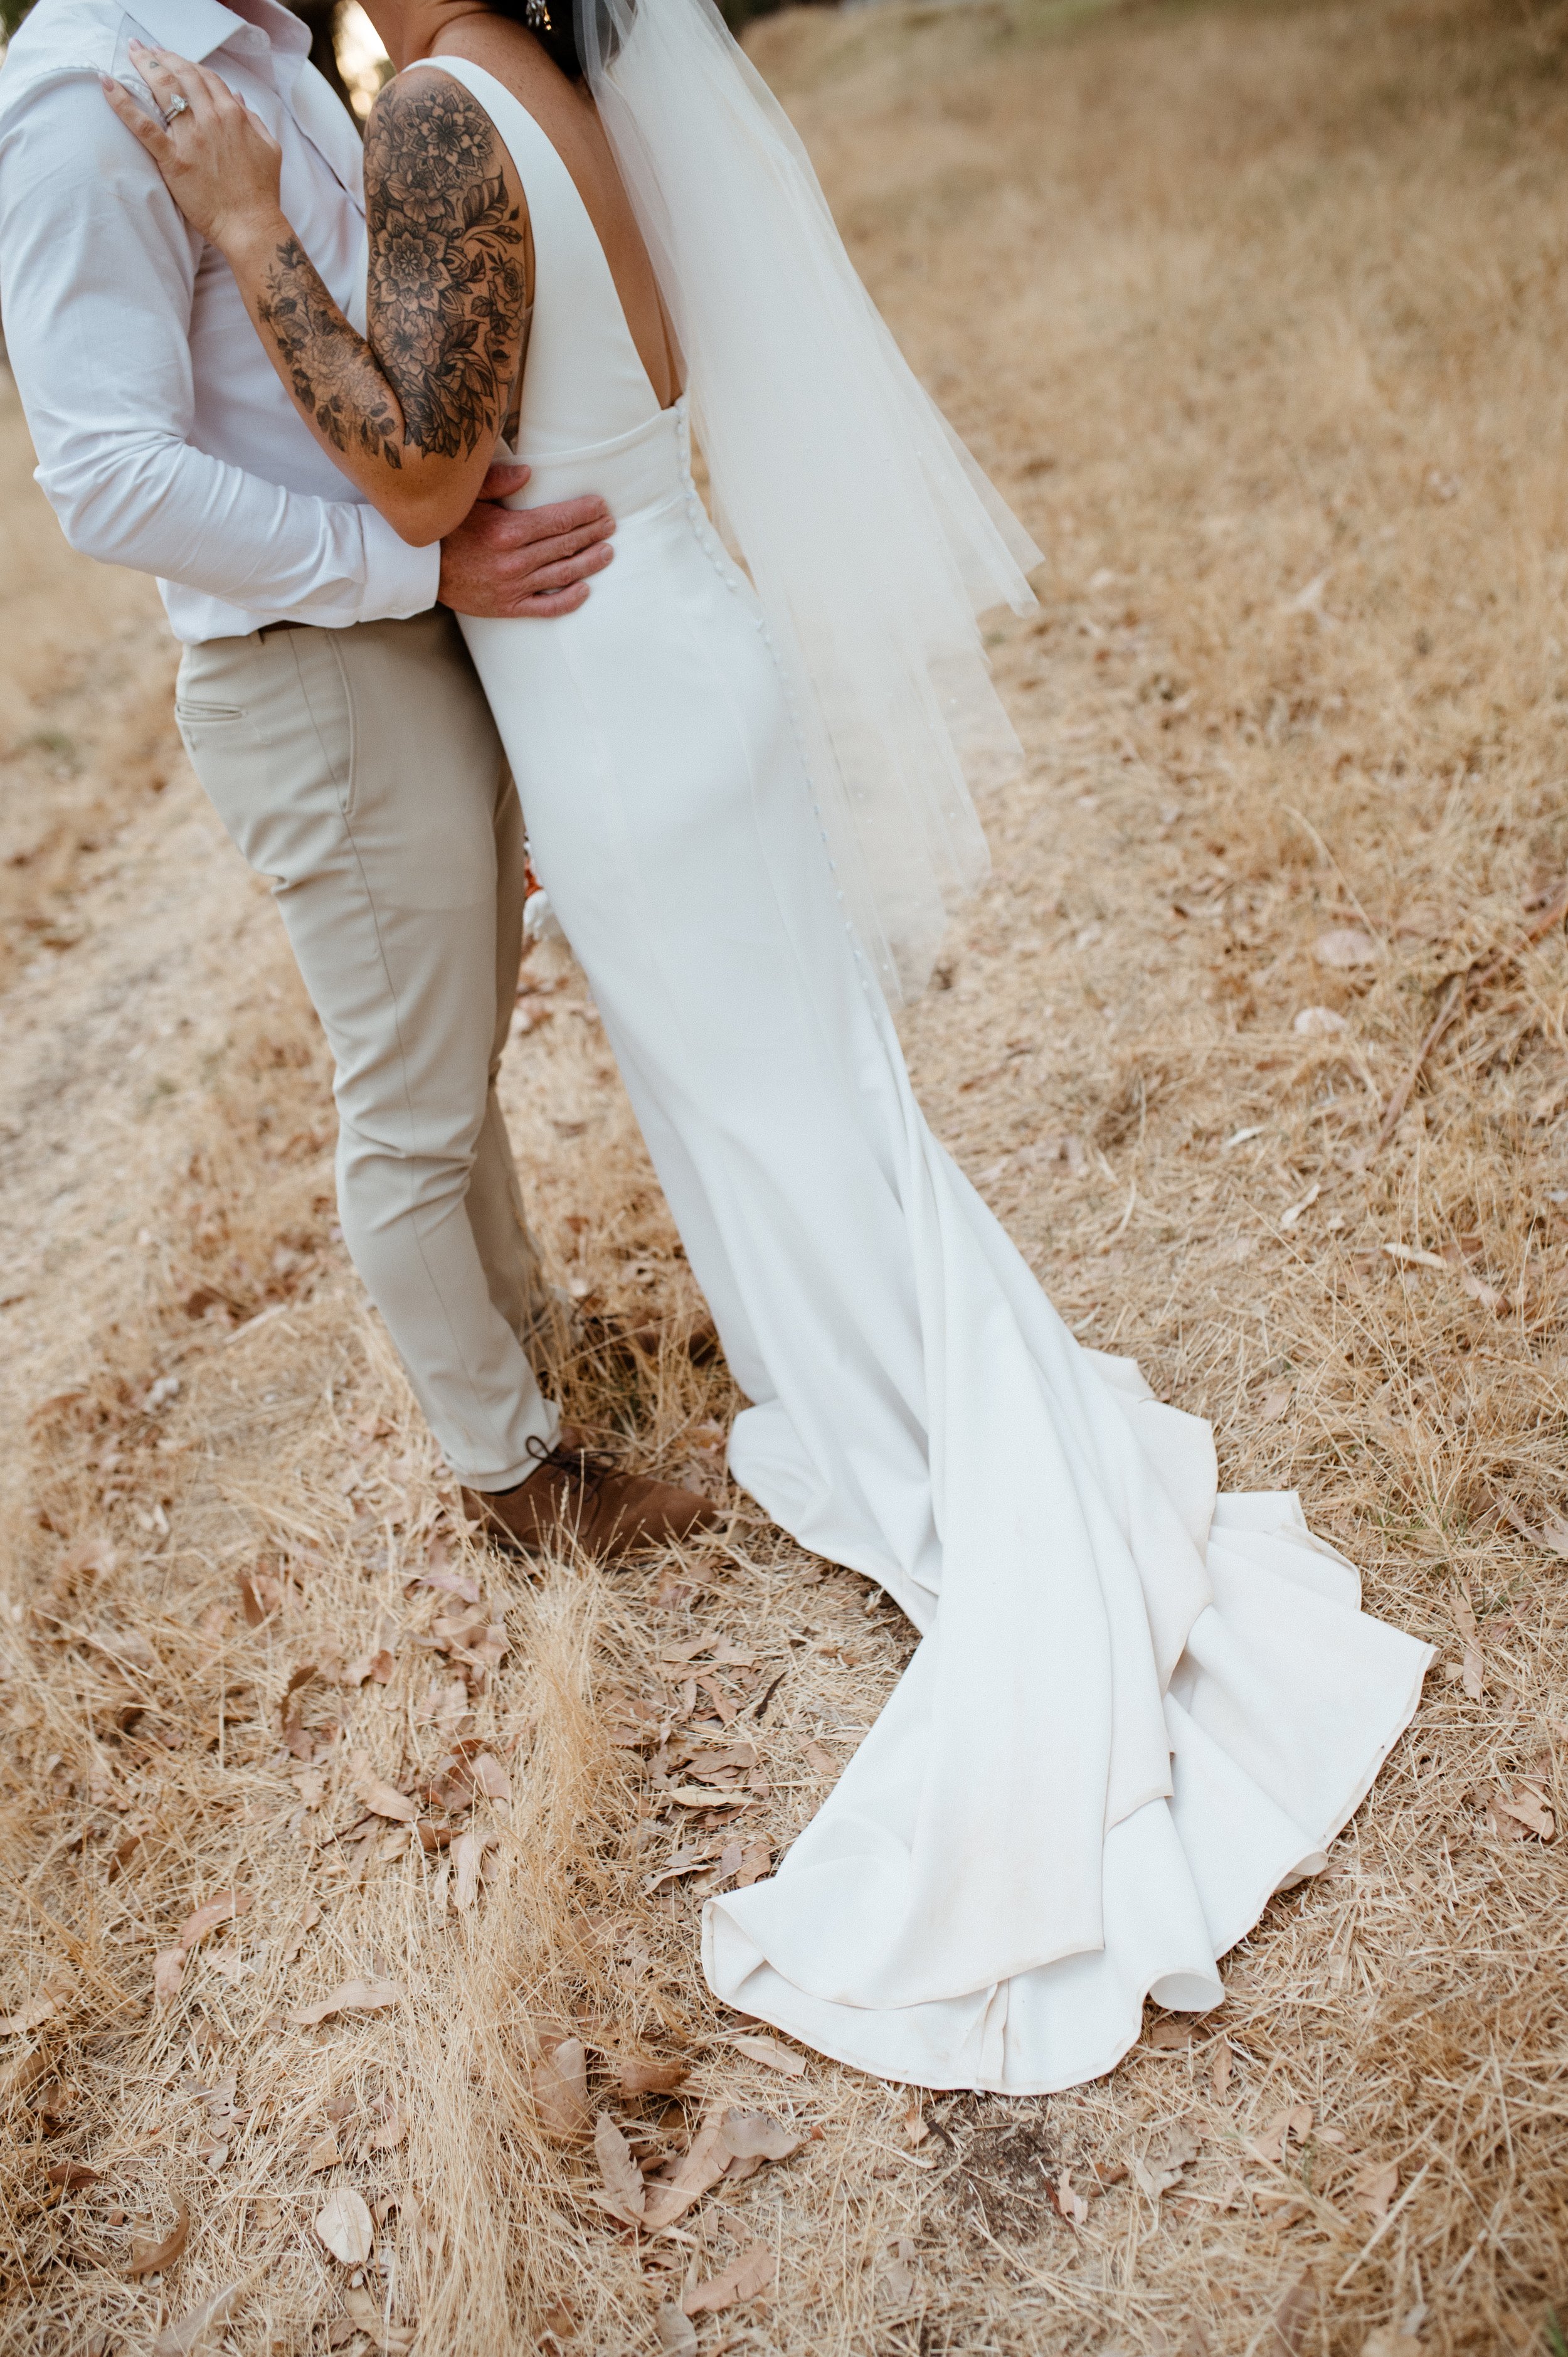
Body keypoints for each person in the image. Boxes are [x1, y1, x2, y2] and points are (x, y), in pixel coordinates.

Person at [99, 0, 1434, 2095]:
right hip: (659, 650)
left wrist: (258, 225)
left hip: (627, 701)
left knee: (795, 1137)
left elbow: (431, 466)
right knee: (806, 1129)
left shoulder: (440, 115)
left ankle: (965, 1481)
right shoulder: (552, 80)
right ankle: (911, 1408)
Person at [0, 0, 716, 1559]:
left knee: (451, 1060)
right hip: (310, 664)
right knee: (404, 1103)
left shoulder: (270, 42)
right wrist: (411, 573)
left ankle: (526, 1331)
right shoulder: (76, 99)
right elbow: (102, 474)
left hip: (407, 624)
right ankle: (513, 1475)